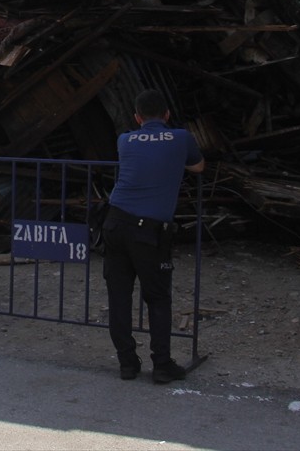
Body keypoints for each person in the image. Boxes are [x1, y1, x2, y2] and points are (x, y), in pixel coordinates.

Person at [103, 88, 204, 383]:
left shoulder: (125, 140)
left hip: (115, 222)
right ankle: (162, 365)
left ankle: (127, 364)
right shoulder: (181, 137)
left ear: (137, 118)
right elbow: (198, 166)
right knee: (157, 297)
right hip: (149, 231)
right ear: (167, 115)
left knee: (119, 297)